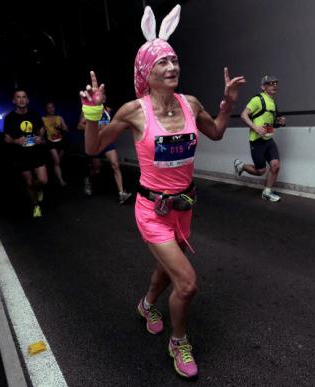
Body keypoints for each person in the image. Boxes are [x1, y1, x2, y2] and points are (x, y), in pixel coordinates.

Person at [79, 5, 245, 378]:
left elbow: (216, 132)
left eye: (174, 60)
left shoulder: (191, 104)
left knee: (166, 270)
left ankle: (147, 303)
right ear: (145, 72)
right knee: (187, 283)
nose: (171, 67)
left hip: (184, 206)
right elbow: (93, 148)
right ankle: (179, 341)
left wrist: (228, 105)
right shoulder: (134, 112)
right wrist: (92, 115)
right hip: (152, 210)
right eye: (162, 63)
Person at [234, 75, 286, 202]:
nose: (274, 85)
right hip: (257, 141)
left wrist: (280, 122)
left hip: (268, 139)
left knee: (275, 165)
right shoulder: (257, 99)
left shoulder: (272, 103)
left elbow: (272, 123)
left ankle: (267, 192)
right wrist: (255, 127)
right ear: (263, 87)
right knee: (260, 171)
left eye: (275, 83)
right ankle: (241, 166)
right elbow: (243, 115)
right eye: (270, 83)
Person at [3, 89, 48, 218]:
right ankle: (36, 205)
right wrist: (15, 141)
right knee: (29, 183)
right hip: (21, 154)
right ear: (14, 101)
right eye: (18, 97)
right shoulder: (10, 118)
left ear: (27, 100)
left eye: (24, 97)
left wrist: (40, 136)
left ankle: (38, 190)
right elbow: (6, 138)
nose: (21, 99)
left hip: (36, 151)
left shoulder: (34, 114)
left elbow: (42, 129)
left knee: (43, 181)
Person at [77, 105, 132, 204]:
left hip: (107, 141)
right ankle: (88, 180)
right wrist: (95, 128)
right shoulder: (89, 110)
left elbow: (112, 124)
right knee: (96, 168)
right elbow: (80, 126)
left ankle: (121, 193)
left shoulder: (108, 109)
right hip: (95, 142)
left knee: (115, 165)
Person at [42, 102, 68, 186]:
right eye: (49, 107)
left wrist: (60, 128)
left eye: (52, 107)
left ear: (54, 108)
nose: (51, 109)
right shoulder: (43, 119)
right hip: (50, 142)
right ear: (46, 109)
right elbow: (40, 131)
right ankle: (60, 180)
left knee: (57, 162)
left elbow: (66, 129)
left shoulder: (59, 118)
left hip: (61, 142)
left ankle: (54, 174)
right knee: (56, 161)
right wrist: (41, 138)